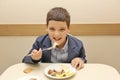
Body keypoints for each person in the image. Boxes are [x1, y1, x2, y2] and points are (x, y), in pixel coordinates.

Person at [22, 7, 87, 70]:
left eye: (62, 29)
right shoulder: (40, 42)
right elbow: (25, 60)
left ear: (68, 29)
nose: (56, 34)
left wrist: (80, 60)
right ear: (47, 28)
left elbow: (84, 60)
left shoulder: (78, 44)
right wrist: (34, 58)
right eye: (52, 29)